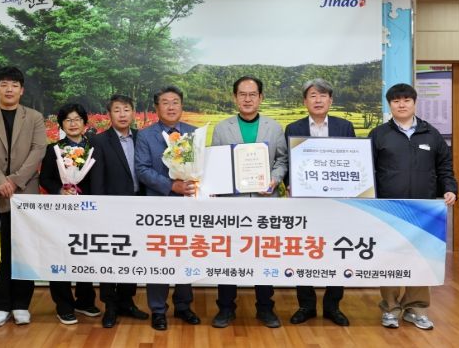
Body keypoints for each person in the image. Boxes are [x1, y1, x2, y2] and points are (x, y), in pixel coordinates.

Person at [369, 83, 457, 330]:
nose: (402, 104)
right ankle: (390, 309)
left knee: (420, 259)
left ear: (415, 103)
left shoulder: (431, 134)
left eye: (406, 100)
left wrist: (450, 188)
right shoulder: (379, 134)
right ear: (390, 105)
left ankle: (416, 309)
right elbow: (367, 170)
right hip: (389, 208)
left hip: (423, 209)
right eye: (396, 101)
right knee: (390, 258)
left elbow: (444, 167)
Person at [210, 76, 288, 329]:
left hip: (265, 202)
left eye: (252, 94)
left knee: (263, 255)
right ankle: (225, 308)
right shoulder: (222, 128)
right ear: (235, 98)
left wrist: (274, 180)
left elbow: (282, 160)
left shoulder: (273, 127)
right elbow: (216, 163)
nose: (247, 99)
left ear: (261, 98)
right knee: (228, 255)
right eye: (242, 94)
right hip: (231, 204)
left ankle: (265, 308)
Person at [0, 66, 47, 327]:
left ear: (21, 90)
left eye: (14, 85)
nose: (9, 89)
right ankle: (1, 305)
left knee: (24, 250)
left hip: (24, 192)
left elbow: (39, 149)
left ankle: (21, 305)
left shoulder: (34, 117)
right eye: (4, 84)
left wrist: (15, 180)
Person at [284, 78, 355, 327]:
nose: (318, 100)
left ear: (331, 100)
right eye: (313, 95)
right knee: (304, 250)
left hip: (337, 203)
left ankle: (333, 306)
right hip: (304, 202)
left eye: (323, 95)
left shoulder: (344, 127)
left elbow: (353, 161)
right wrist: (290, 183)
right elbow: (288, 163)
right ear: (305, 101)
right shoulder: (293, 128)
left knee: (337, 250)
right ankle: (306, 305)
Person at [134, 86, 200, 331]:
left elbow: (203, 166)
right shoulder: (145, 136)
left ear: (182, 105)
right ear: (156, 107)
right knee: (159, 257)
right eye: (165, 102)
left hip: (189, 206)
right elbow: (142, 169)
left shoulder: (194, 133)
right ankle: (158, 310)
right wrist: (172, 185)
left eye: (175, 102)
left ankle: (183, 306)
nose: (171, 107)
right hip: (158, 207)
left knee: (186, 254)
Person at [89, 94, 149, 328]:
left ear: (133, 112)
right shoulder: (100, 141)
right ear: (109, 114)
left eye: (126, 109)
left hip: (138, 205)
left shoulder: (142, 137)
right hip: (111, 208)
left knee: (132, 254)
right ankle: (110, 306)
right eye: (117, 110)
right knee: (110, 255)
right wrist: (99, 209)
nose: (122, 114)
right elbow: (97, 179)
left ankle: (127, 301)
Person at [39, 103, 101, 325]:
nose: (73, 124)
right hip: (61, 212)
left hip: (90, 210)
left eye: (77, 119)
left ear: (84, 123)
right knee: (61, 256)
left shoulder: (95, 147)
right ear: (62, 125)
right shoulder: (53, 150)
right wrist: (60, 190)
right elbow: (45, 178)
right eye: (68, 120)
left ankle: (85, 301)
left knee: (85, 253)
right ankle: (64, 305)